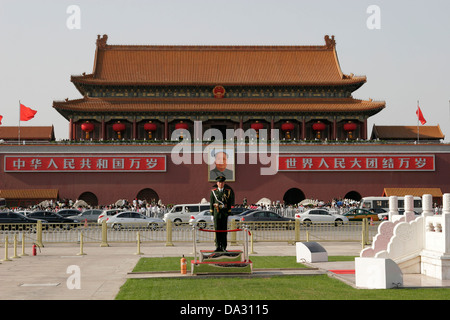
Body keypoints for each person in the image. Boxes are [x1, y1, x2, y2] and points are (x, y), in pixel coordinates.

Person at [210, 175, 234, 252]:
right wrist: (212, 214)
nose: (221, 184)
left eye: (222, 182)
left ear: (224, 183)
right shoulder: (213, 192)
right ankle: (217, 246)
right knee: (217, 230)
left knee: (224, 230)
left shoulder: (228, 191)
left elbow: (229, 203)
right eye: (219, 182)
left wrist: (229, 213)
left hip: (224, 213)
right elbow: (211, 203)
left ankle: (224, 247)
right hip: (217, 214)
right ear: (217, 183)